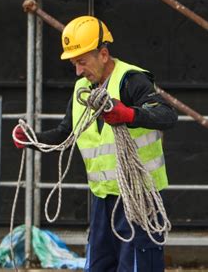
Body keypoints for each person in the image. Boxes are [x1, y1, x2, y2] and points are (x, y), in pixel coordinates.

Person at [13, 16, 177, 271]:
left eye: (82, 62)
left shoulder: (131, 80)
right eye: (73, 63)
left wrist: (129, 114)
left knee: (137, 265)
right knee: (98, 266)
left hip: (139, 198)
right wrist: (32, 139)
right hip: (103, 201)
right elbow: (65, 134)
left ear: (103, 54)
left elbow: (167, 115)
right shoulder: (82, 89)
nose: (78, 71)